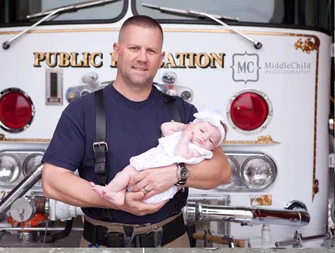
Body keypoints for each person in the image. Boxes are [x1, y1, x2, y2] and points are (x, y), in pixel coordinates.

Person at [41, 15, 231, 248]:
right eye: (134, 48)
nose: (142, 58)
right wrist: (118, 202)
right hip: (100, 244)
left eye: (151, 51)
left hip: (171, 242)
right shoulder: (81, 111)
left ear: (161, 59)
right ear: (116, 51)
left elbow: (222, 171)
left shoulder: (183, 112)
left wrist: (176, 174)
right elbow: (52, 181)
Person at [90, 110, 228, 206]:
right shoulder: (181, 135)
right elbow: (165, 127)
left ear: (212, 148)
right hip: (148, 177)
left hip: (156, 188)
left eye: (210, 141)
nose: (204, 138)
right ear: (193, 126)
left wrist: (186, 136)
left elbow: (180, 155)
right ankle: (118, 194)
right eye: (202, 131)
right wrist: (186, 127)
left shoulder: (197, 151)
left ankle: (107, 190)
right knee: (124, 174)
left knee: (128, 172)